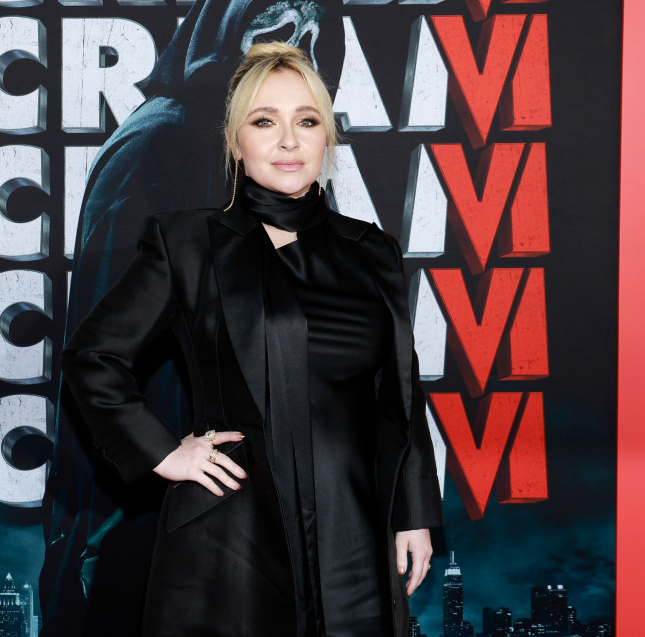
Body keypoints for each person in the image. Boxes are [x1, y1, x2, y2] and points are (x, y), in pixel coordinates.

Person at [61, 42, 444, 637]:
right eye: (265, 121)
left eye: (306, 121)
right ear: (235, 142)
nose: (288, 140)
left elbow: (399, 393)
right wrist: (164, 452)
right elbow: (94, 356)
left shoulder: (373, 252)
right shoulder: (187, 245)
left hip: (355, 538)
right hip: (229, 540)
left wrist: (412, 514)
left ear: (326, 138)